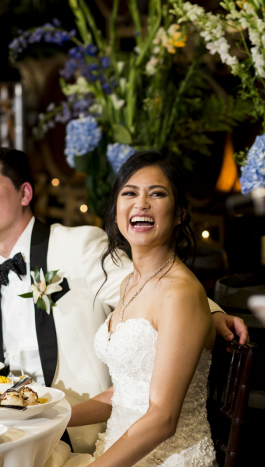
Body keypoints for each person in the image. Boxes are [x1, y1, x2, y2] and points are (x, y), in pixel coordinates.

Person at [0, 143, 247, 454]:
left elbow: (156, 290)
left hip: (86, 437)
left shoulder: (79, 247)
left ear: (25, 194)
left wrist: (211, 314)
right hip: (13, 435)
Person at [66, 150, 216, 466]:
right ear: (117, 211)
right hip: (120, 450)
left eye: (157, 194)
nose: (141, 203)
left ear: (180, 214)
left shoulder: (180, 294)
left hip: (167, 457)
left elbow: (162, 418)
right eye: (130, 193)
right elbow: (123, 393)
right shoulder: (129, 284)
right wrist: (51, 416)